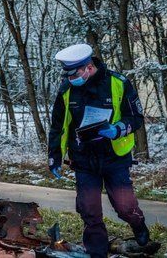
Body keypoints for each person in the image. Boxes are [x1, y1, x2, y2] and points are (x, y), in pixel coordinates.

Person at [47, 43, 149, 257]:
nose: (69, 78)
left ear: (88, 67)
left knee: (124, 206)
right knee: (89, 211)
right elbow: (58, 126)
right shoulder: (67, 90)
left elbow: (136, 118)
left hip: (114, 157)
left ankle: (139, 226)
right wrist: (55, 157)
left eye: (73, 74)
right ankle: (97, 253)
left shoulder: (118, 83)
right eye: (67, 75)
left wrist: (119, 129)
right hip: (84, 159)